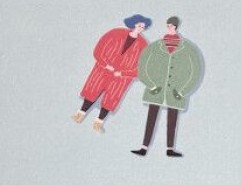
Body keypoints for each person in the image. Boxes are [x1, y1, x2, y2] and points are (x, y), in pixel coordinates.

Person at [131, 16, 201, 157]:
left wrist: (182, 91)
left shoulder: (188, 49)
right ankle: (144, 147)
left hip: (175, 92)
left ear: (176, 27)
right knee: (151, 118)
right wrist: (151, 85)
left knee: (172, 120)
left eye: (171, 25)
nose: (169, 27)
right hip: (155, 90)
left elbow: (195, 72)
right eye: (168, 25)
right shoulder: (154, 46)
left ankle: (170, 149)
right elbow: (141, 66)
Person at [74, 15, 152, 132]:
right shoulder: (116, 33)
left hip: (121, 79)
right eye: (139, 25)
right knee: (92, 92)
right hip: (102, 71)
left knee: (111, 99)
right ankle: (80, 113)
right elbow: (98, 50)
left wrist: (122, 73)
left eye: (143, 27)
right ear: (133, 23)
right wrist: (106, 64)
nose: (141, 28)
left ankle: (99, 122)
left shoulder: (143, 45)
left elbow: (141, 68)